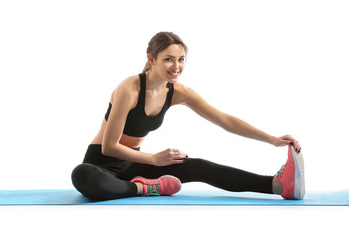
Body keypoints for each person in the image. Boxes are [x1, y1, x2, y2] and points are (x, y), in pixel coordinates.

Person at [71, 31, 305, 201]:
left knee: (197, 166)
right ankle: (146, 188)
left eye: (181, 59)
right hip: (100, 165)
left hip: (135, 165)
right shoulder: (129, 89)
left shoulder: (178, 92)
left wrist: (272, 139)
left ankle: (275, 185)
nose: (177, 66)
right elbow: (109, 148)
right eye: (169, 59)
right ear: (151, 59)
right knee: (81, 174)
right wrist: (154, 159)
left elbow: (225, 121)